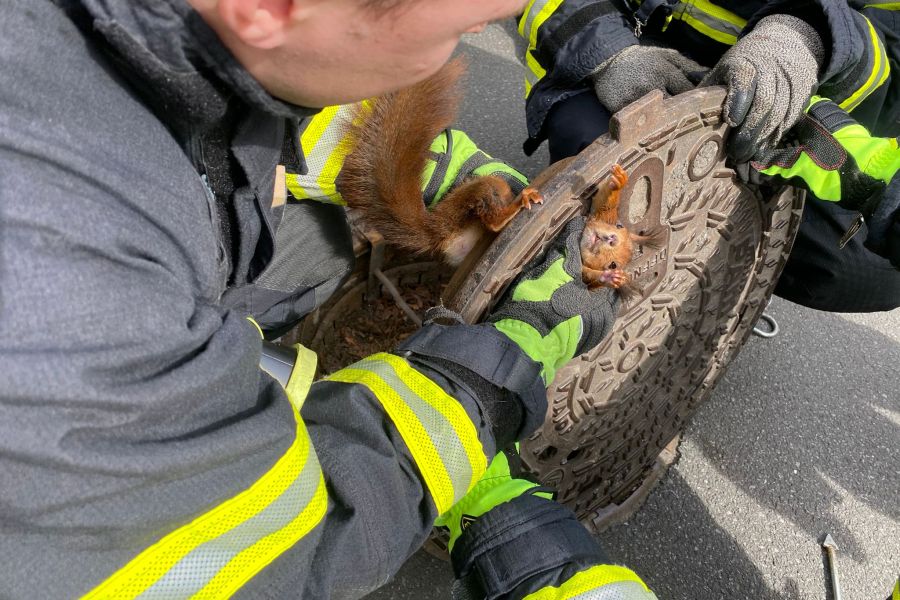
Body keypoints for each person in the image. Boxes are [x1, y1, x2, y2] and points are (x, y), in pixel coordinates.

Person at [0, 1, 656, 598]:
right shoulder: (64, 292)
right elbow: (274, 551)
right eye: (460, 24)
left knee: (320, 246)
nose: (483, 33)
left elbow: (293, 95)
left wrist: (437, 174)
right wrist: (503, 364)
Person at [518, 0, 900, 312]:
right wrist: (605, 54)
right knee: (610, 174)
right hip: (623, 53)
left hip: (765, 82)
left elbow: (893, 48)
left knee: (864, 270)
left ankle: (702, 282)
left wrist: (806, 38)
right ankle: (568, 299)